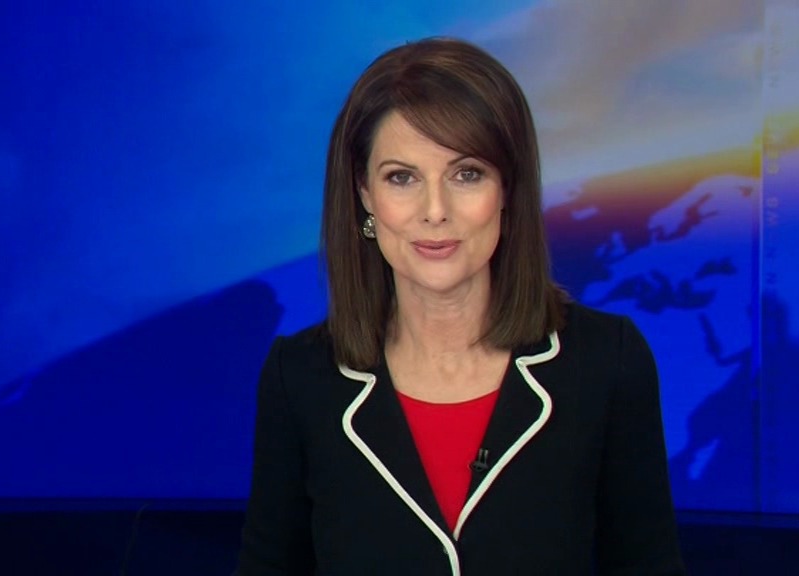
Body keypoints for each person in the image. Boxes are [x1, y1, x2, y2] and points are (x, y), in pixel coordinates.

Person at [236, 37, 685, 575]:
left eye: (466, 173)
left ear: (507, 189)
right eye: (402, 177)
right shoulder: (301, 377)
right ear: (364, 194)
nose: (435, 210)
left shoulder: (607, 361)